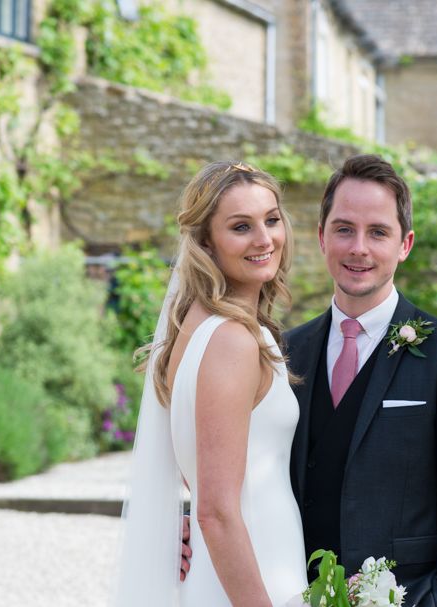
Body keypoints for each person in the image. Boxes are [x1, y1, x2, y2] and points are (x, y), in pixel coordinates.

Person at [283, 154, 437, 607]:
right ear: (321, 238)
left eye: (378, 232)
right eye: (344, 229)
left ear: (405, 244)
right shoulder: (284, 351)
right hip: (289, 591)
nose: (358, 247)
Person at [114, 161, 307, 607]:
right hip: (252, 583)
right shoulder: (231, 341)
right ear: (205, 242)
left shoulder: (196, 328)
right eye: (241, 227)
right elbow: (216, 512)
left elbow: (201, 472)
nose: (265, 239)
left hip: (243, 571)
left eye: (272, 219)